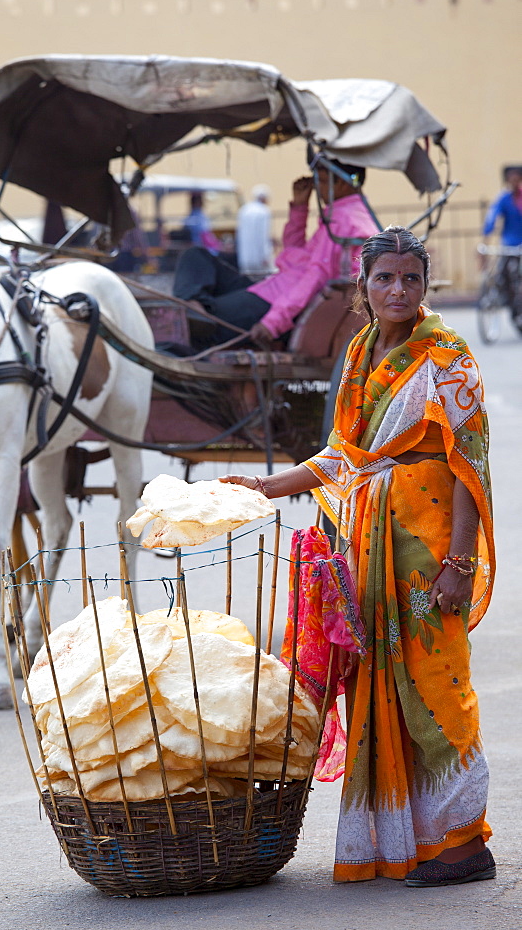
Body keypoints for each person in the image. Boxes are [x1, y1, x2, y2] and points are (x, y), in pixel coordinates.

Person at [222, 226, 496, 887]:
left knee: (438, 688)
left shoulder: (448, 356)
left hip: (429, 547)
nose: (398, 289)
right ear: (360, 289)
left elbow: (471, 468)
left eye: (411, 278)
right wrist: (268, 485)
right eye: (384, 278)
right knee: (383, 688)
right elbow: (346, 454)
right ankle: (415, 841)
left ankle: (463, 842)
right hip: (373, 544)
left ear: (427, 286)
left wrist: (459, 565)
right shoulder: (359, 352)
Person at [173, 161, 378, 349]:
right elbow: (294, 254)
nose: (319, 189)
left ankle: (194, 313)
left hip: (276, 302)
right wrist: (299, 207)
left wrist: (272, 323)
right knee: (196, 256)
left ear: (342, 184)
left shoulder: (343, 221)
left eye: (322, 182)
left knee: (199, 324)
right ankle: (193, 305)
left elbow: (314, 277)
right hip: (273, 287)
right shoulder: (346, 214)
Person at [482, 165, 522, 307]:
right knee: (503, 273)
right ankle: (506, 297)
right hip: (510, 244)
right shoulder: (503, 199)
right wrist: (487, 235)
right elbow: (492, 217)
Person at [236, 183, 273, 276]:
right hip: (259, 258)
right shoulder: (264, 211)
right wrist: (265, 255)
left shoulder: (244, 210)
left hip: (245, 258)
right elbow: (264, 235)